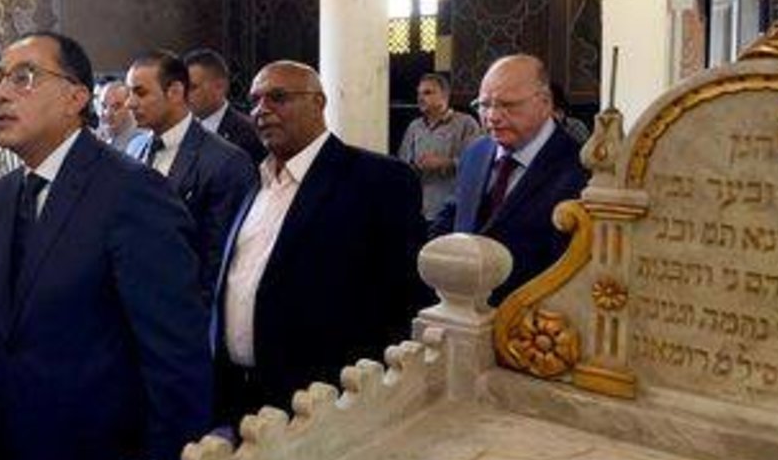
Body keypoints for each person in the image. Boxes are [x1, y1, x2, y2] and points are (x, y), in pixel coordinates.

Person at [0, 31, 211, 460]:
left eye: (23, 77)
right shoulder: (3, 195)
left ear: (75, 97)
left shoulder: (132, 192)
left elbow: (177, 360)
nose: (1, 92)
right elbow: (5, 338)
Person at [213, 60, 427, 429]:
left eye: (278, 97)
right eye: (255, 100)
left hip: (324, 398)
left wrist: (368, 397)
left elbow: (403, 299)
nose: (262, 110)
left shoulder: (378, 180)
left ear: (318, 102)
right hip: (242, 392)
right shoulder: (256, 179)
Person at [432, 55, 589, 305]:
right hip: (462, 310)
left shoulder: (581, 170)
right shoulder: (475, 153)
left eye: (508, 105)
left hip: (535, 316)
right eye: (484, 105)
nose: (492, 116)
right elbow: (454, 216)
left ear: (545, 103)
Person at [124, 49, 256, 302]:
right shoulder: (134, 148)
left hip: (185, 309)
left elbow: (220, 261)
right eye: (129, 92)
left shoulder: (226, 161)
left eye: (140, 92)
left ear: (174, 92)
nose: (130, 103)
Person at [397, 72, 481, 220]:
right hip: (419, 208)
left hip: (453, 209)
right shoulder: (414, 127)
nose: (420, 98)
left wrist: (446, 163)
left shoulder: (466, 124)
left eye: (427, 93)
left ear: (445, 96)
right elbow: (402, 164)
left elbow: (478, 164)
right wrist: (413, 167)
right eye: (419, 93)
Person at [185, 46, 264, 165]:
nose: (184, 95)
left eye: (192, 87)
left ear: (220, 86)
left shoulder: (250, 134)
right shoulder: (180, 130)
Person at [93, 78, 145, 151]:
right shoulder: (97, 137)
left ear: (130, 107)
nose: (108, 114)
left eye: (116, 107)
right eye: (104, 106)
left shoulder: (141, 142)